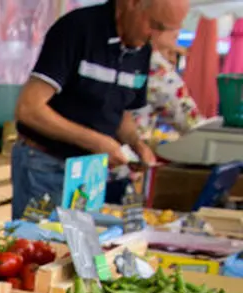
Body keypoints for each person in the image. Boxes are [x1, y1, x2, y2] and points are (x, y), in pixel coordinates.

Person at [11, 0, 189, 219]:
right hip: (44, 166)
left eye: (167, 30)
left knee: (80, 249)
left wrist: (136, 144)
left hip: (89, 173)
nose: (156, 37)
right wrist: (97, 142)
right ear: (131, 4)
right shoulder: (78, 28)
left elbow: (121, 112)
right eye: (156, 25)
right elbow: (29, 109)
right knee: (40, 246)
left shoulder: (143, 50)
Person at [133, 28, 206, 139]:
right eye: (171, 24)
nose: (178, 29)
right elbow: (190, 122)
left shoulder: (123, 53)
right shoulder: (157, 68)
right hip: (126, 150)